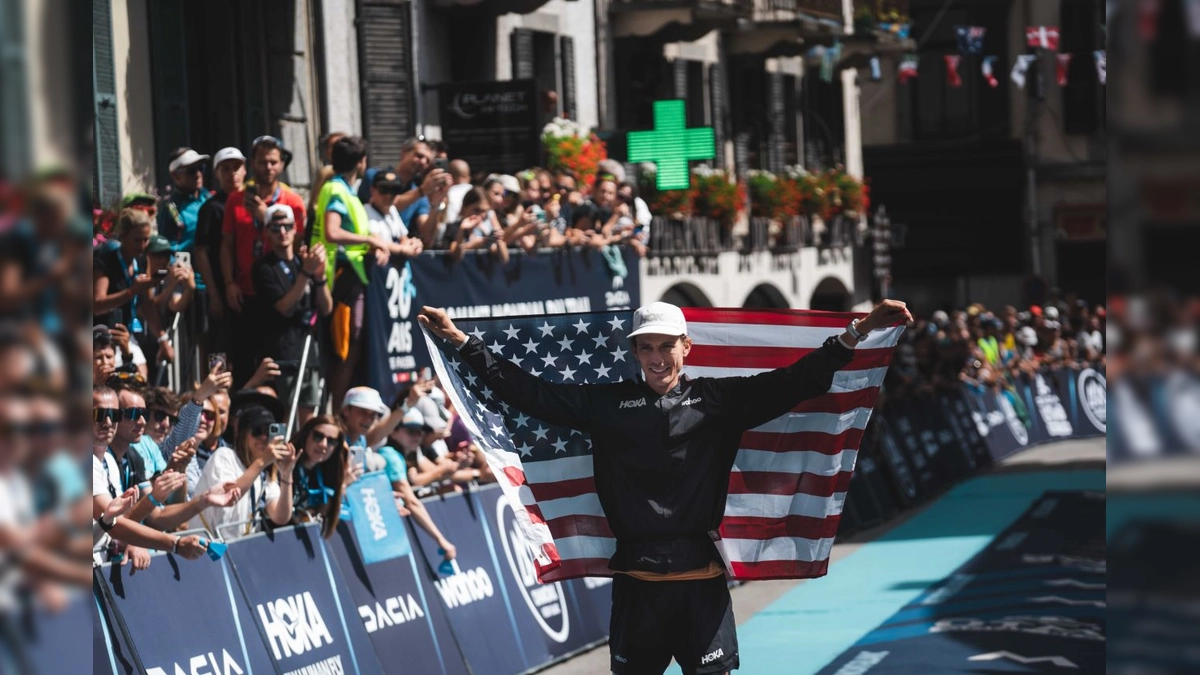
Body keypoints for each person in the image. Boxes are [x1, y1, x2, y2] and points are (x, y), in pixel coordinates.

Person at [418, 298, 912, 675]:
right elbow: (529, 393)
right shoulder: (605, 405)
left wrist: (860, 329)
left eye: (666, 346)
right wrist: (463, 342)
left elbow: (799, 379)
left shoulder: (720, 399)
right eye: (646, 347)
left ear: (686, 346)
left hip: (702, 588)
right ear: (634, 351)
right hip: (639, 587)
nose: (657, 358)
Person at [221, 136, 307, 382]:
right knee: (243, 362)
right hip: (245, 293)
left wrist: (264, 216)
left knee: (277, 366)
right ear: (252, 164)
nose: (268, 168)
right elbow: (226, 246)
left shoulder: (293, 202)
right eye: (262, 162)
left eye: (273, 162)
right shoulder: (235, 199)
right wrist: (228, 283)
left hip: (280, 292)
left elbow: (298, 245)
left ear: (281, 165)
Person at [92, 386, 209, 565]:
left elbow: (116, 526)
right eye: (99, 414)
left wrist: (180, 472)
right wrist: (176, 544)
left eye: (113, 414)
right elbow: (115, 525)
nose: (108, 422)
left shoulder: (108, 461)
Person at [311, 136, 388, 409]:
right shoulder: (335, 189)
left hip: (349, 277)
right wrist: (371, 241)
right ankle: (336, 413)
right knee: (345, 348)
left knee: (351, 348)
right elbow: (333, 232)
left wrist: (374, 245)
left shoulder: (344, 189)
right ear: (361, 162)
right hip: (340, 280)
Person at [251, 205, 332, 423]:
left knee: (309, 415)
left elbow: (326, 308)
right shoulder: (263, 267)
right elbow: (284, 307)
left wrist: (319, 275)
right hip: (281, 352)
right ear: (267, 231)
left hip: (307, 349)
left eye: (287, 226)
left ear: (295, 228)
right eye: (275, 228)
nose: (282, 233)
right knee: (283, 415)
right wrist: (306, 273)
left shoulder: (301, 261)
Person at [190, 405, 296, 539]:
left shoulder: (263, 474)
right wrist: (262, 462)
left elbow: (281, 517)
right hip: (204, 546)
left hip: (237, 548)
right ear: (243, 435)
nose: (264, 437)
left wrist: (287, 474)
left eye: (268, 432)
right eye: (257, 431)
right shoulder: (224, 456)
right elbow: (228, 496)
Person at [93, 209, 173, 371]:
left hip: (126, 336)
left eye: (145, 240)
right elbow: (97, 305)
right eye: (137, 240)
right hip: (100, 339)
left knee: (140, 384)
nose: (142, 246)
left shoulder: (142, 260)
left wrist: (163, 340)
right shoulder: (107, 258)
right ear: (123, 236)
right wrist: (132, 291)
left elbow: (147, 305)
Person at [195, 147, 246, 354]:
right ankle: (217, 387)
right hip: (222, 288)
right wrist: (214, 293)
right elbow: (201, 252)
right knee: (219, 349)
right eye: (225, 168)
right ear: (217, 173)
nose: (232, 173)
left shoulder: (253, 201)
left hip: (249, 287)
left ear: (245, 170)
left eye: (236, 167)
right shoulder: (211, 207)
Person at [356, 137, 452, 248]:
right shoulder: (375, 177)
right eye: (419, 156)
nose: (423, 162)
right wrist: (422, 191)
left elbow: (426, 234)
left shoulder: (420, 196)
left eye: (428, 160)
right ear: (404, 152)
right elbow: (387, 205)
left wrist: (436, 203)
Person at [364, 170, 425, 261]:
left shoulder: (392, 210)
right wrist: (403, 249)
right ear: (372, 190)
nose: (388, 195)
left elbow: (403, 238)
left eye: (394, 190)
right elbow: (375, 240)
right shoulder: (365, 211)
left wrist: (413, 244)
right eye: (383, 190)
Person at [441, 159, 474, 233]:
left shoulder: (446, 195)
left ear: (449, 176)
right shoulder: (479, 193)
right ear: (468, 177)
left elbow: (445, 224)